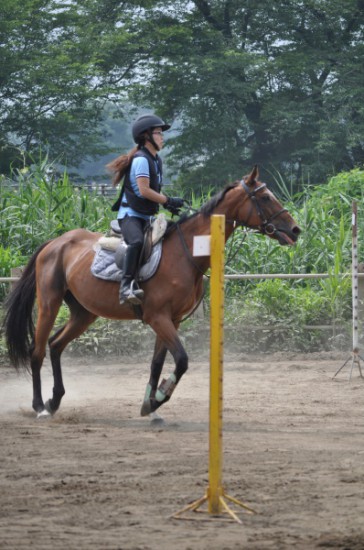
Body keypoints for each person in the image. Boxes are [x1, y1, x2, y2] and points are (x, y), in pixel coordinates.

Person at [107, 114, 184, 305]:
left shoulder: (156, 160)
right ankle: (125, 287)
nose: (162, 137)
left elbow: (154, 190)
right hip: (130, 215)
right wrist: (167, 201)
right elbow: (143, 190)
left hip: (147, 216)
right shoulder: (141, 159)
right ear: (146, 136)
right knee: (136, 242)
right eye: (158, 133)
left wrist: (171, 203)